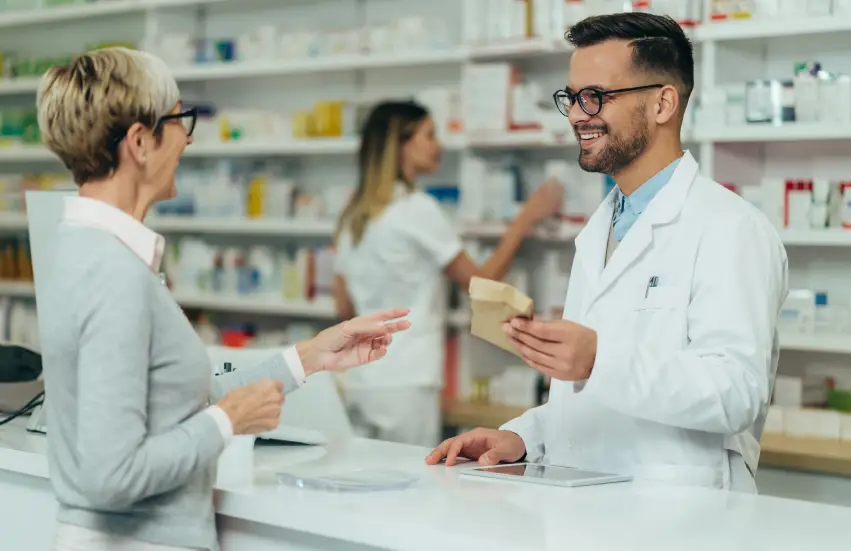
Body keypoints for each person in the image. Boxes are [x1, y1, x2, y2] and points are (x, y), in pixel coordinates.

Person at [36, 47, 411, 551]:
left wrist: (312, 356)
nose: (188, 140)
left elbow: (170, 399)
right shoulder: (113, 272)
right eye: (179, 120)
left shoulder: (85, 248)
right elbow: (112, 474)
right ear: (141, 141)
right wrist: (228, 421)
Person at [427, 12, 789, 493]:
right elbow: (588, 401)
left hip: (679, 513)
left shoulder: (731, 229)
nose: (577, 114)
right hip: (586, 505)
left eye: (596, 96)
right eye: (572, 98)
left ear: (663, 103)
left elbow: (737, 393)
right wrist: (522, 436)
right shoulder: (602, 230)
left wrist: (600, 360)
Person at [333, 101, 564, 447]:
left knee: (366, 487)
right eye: (429, 135)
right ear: (401, 145)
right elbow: (482, 285)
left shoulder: (352, 217)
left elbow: (342, 306)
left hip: (361, 380)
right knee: (408, 489)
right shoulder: (416, 210)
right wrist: (526, 219)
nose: (437, 145)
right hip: (407, 381)